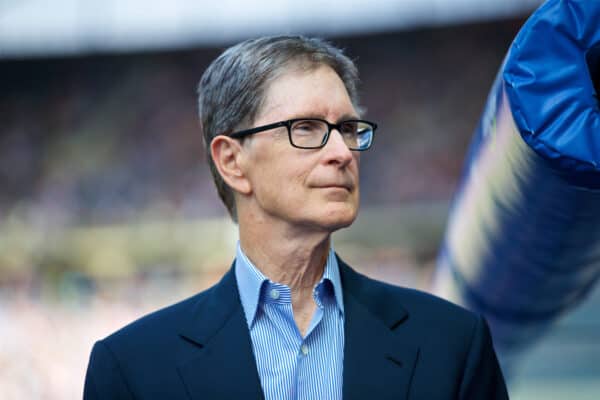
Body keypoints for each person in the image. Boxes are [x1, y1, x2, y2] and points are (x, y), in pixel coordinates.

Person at [83, 36, 508, 399]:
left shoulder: (452, 344)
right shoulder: (131, 369)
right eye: (305, 128)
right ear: (232, 162)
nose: (343, 152)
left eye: (348, 128)